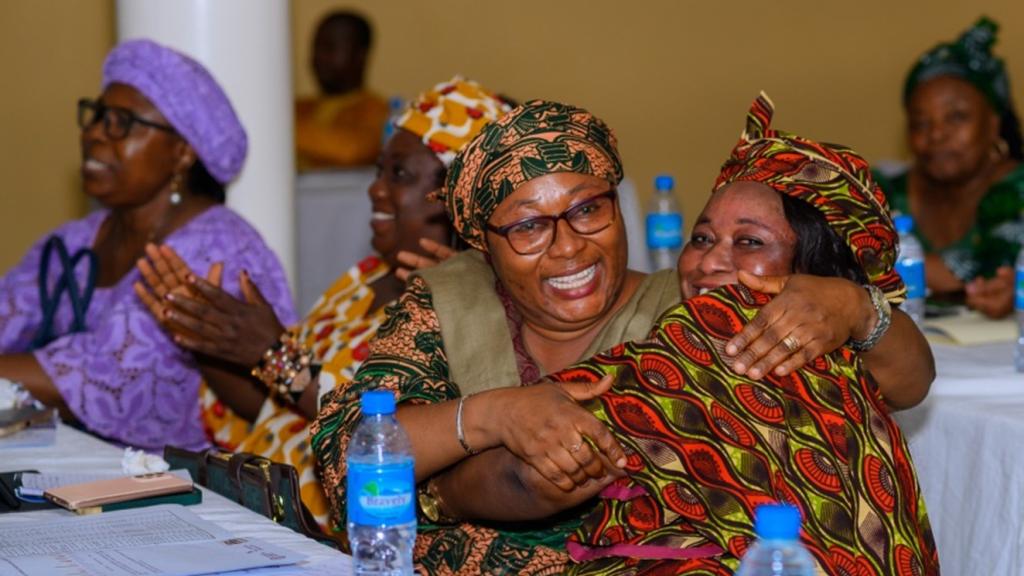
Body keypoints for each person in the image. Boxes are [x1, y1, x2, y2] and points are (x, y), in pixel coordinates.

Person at [312, 100, 934, 574]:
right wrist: (495, 414)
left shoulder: (699, 313)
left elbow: (905, 381)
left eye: (587, 210)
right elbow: (352, 455)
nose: (568, 245)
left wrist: (857, 305)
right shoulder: (449, 302)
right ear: (485, 245)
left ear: (618, 204)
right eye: (529, 226)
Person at [558, 94, 938, 575]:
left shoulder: (783, 349)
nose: (708, 262)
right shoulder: (680, 341)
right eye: (701, 238)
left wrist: (857, 306)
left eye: (749, 242)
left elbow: (916, 377)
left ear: (813, 271)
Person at [136, 77, 511, 528]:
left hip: (338, 538)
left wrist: (275, 354)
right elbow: (272, 412)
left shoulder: (480, 306)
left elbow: (386, 435)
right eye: (379, 171)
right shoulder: (364, 279)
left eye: (401, 175)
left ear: (457, 197)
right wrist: (203, 335)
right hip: (256, 515)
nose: (375, 190)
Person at [0, 39, 294, 452]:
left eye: (122, 122)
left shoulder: (221, 250)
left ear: (182, 153)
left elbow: (103, 373)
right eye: (98, 115)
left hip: (182, 490)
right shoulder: (76, 240)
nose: (95, 134)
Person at [875, 17, 1024, 319]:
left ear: (993, 123)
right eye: (921, 122)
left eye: (956, 117)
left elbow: (996, 269)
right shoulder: (882, 191)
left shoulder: (1016, 191)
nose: (936, 134)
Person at [295, 10, 389, 169]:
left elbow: (352, 151)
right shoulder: (299, 108)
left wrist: (277, 129)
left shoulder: (376, 110)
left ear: (360, 55)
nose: (319, 57)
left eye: (330, 48)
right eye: (316, 47)